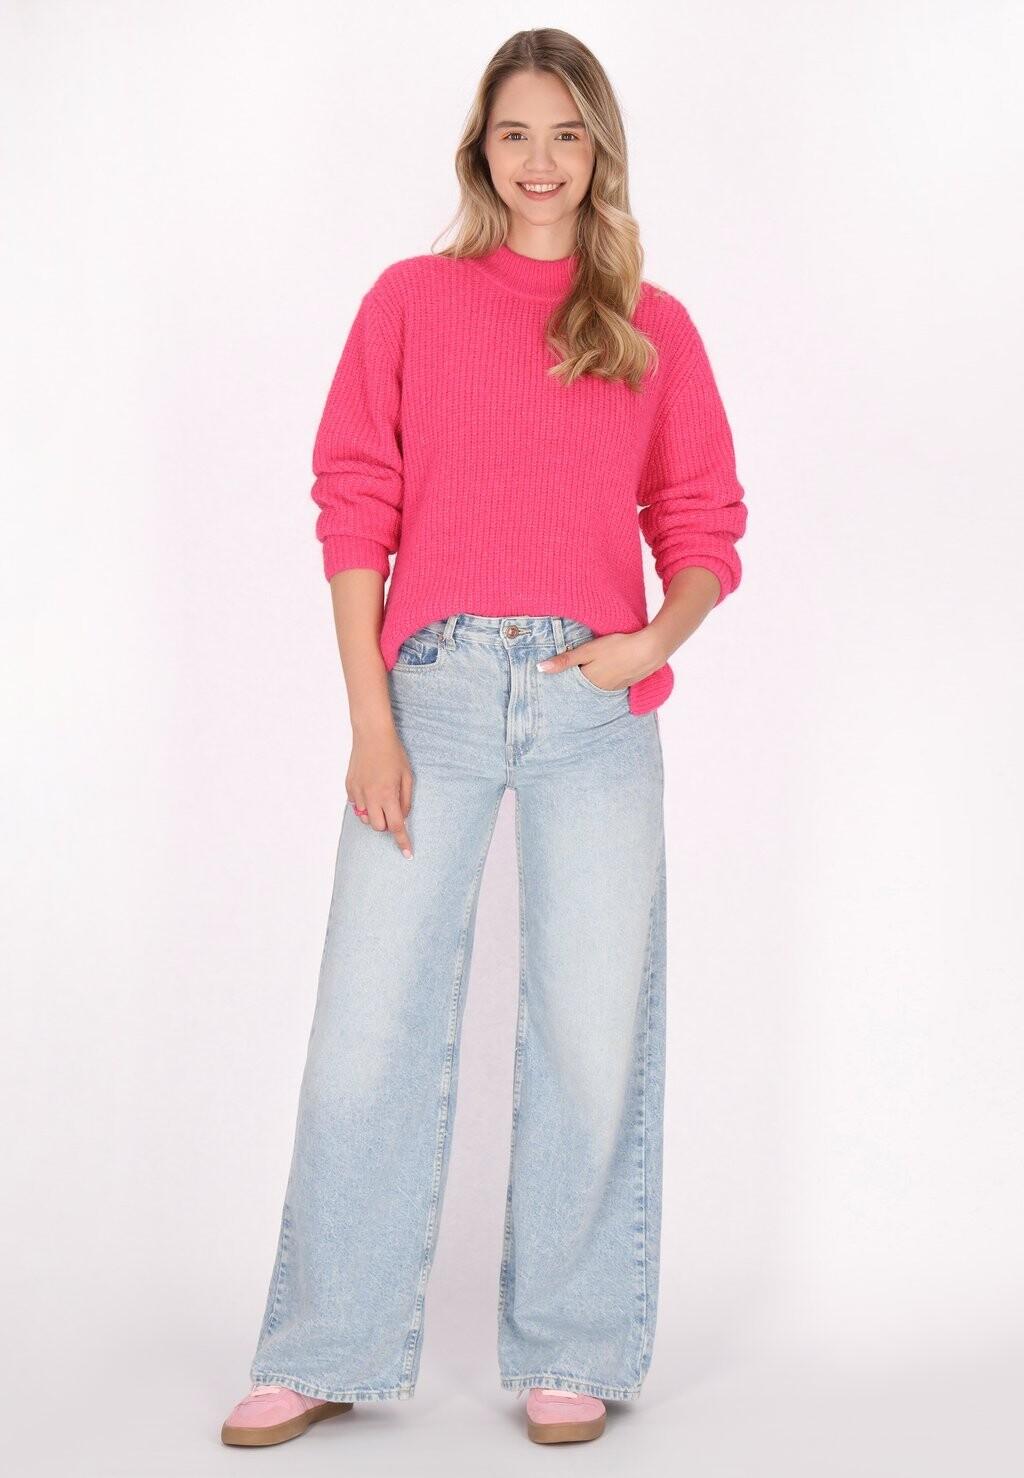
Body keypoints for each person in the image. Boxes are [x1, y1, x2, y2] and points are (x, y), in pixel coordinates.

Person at [220, 26, 747, 1449]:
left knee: (591, 1026)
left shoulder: (650, 326)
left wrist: (651, 642)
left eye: (566, 133)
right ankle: (326, 1340)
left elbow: (704, 520)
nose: (540, 159)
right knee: (367, 1021)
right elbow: (354, 502)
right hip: (435, 693)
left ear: (599, 152)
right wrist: (369, 718)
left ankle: (573, 1343)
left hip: (592, 704)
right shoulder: (410, 300)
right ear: (481, 151)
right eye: (516, 132)